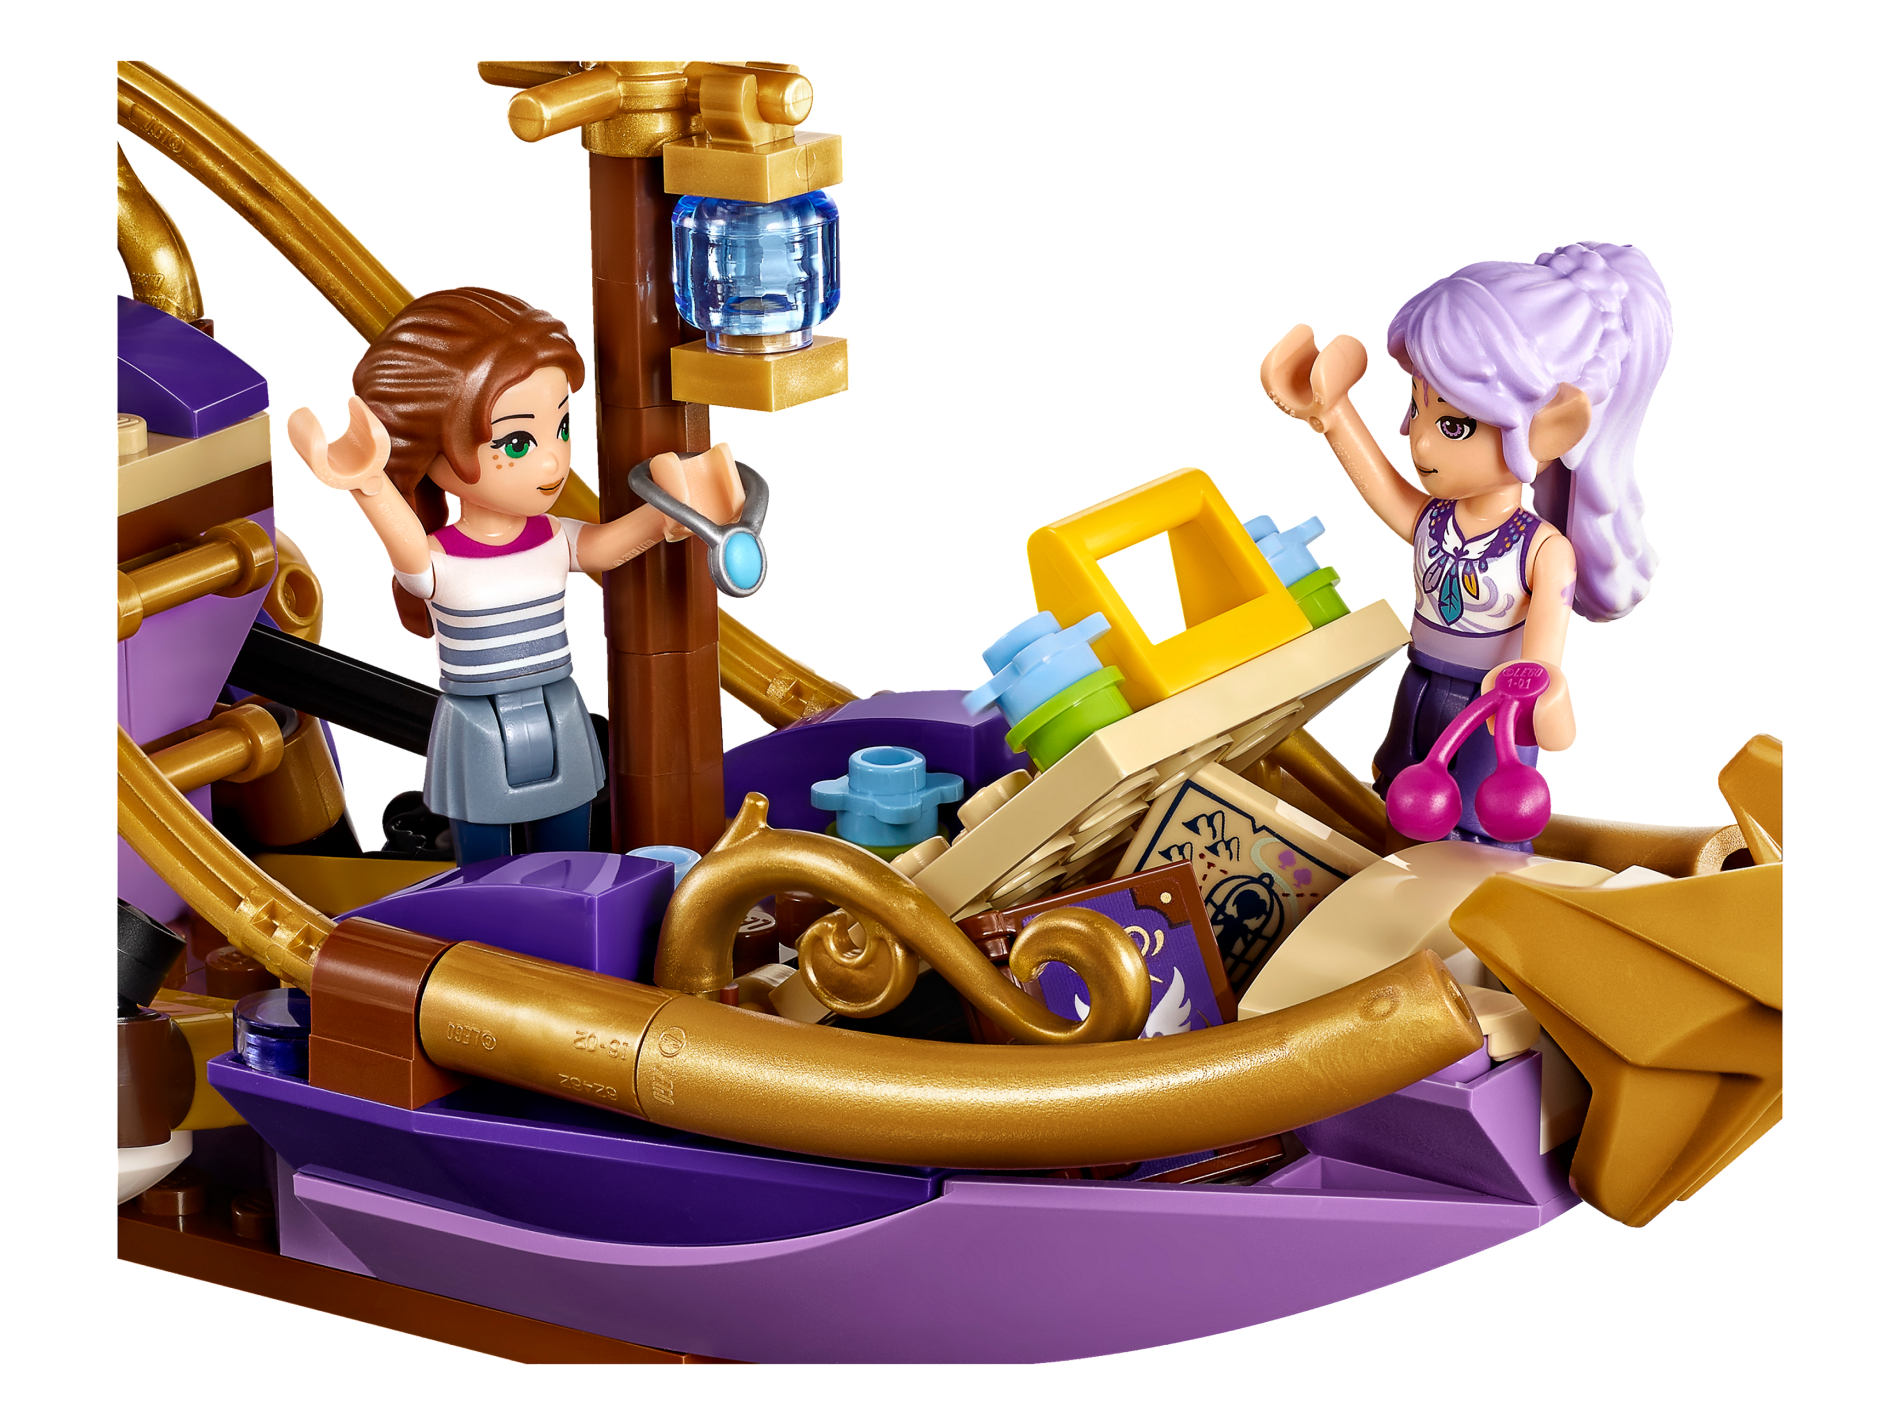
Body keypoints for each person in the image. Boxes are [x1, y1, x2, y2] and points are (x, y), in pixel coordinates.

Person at [288, 287, 745, 864]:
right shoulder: (441, 560)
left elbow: (604, 547)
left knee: (569, 849)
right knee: (484, 865)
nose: (553, 460)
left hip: (559, 706)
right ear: (431, 450)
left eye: (562, 428)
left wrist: (666, 517)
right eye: (518, 442)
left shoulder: (551, 536)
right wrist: (369, 483)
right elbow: (406, 548)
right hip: (475, 721)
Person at [1260, 243, 1671, 846]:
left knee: (1480, 830)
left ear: (1552, 428)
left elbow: (1539, 667)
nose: (1421, 444)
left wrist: (1541, 701)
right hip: (1420, 685)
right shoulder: (1434, 522)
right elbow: (1382, 487)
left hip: (1490, 714)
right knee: (1397, 803)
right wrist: (1333, 412)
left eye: (1453, 425)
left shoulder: (1542, 551)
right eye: (1418, 409)